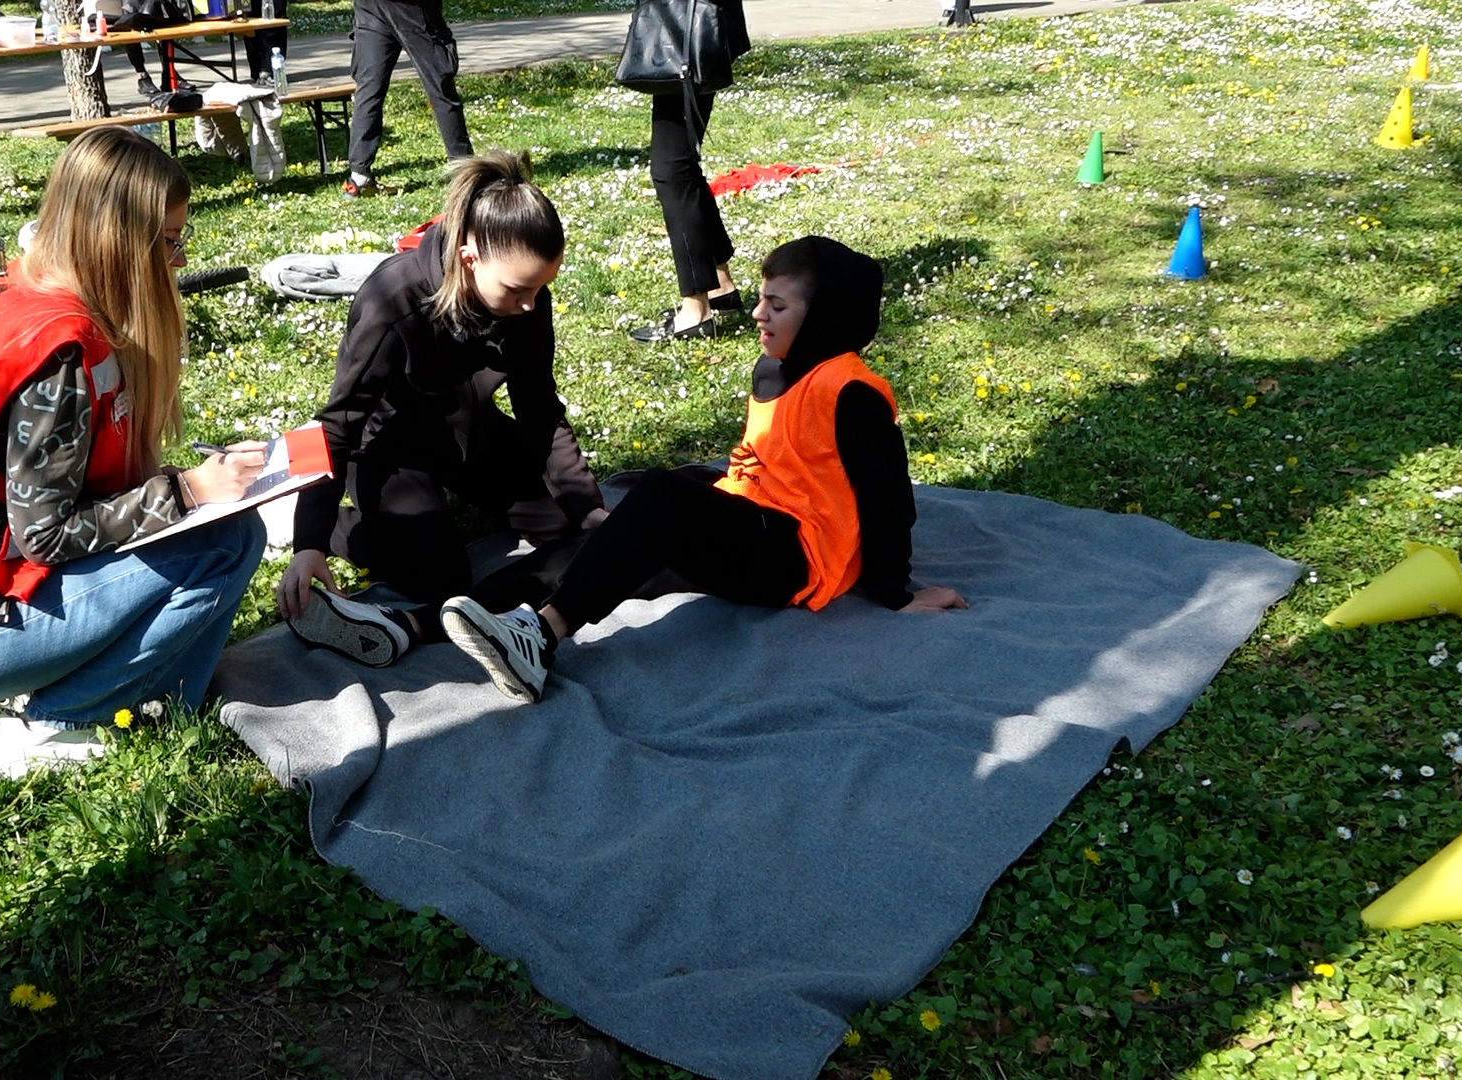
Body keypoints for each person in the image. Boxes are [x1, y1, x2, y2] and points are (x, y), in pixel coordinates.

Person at [0, 128, 270, 779]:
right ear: (122, 244)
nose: (180, 262)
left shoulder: (28, 305)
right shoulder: (61, 352)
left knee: (220, 531)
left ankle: (159, 703)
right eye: (171, 241)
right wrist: (186, 494)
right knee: (227, 541)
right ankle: (56, 722)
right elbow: (45, 534)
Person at [443, 235, 969, 702]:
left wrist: (896, 592)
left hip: (797, 557)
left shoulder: (852, 392)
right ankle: (428, 621)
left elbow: (887, 499)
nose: (759, 314)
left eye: (777, 305)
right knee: (625, 536)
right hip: (756, 515)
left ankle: (543, 636)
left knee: (662, 497)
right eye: (761, 298)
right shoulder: (776, 366)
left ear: (823, 318)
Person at [276, 149, 605, 665]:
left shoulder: (527, 298)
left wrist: (586, 503)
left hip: (468, 427)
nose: (530, 305)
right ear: (470, 259)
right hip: (387, 442)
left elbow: (539, 406)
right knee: (440, 577)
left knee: (575, 535)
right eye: (519, 290)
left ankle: (469, 507)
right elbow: (338, 426)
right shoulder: (395, 298)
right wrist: (308, 544)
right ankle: (334, 521)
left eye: (542, 289)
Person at [629, 0, 749, 343]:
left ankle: (696, 310)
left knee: (672, 169)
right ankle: (719, 286)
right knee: (679, 163)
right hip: (693, 22)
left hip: (689, 23)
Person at [344, 0, 475, 197]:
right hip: (411, 8)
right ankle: (464, 172)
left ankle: (358, 177)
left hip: (370, 6)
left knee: (369, 90)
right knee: (440, 86)